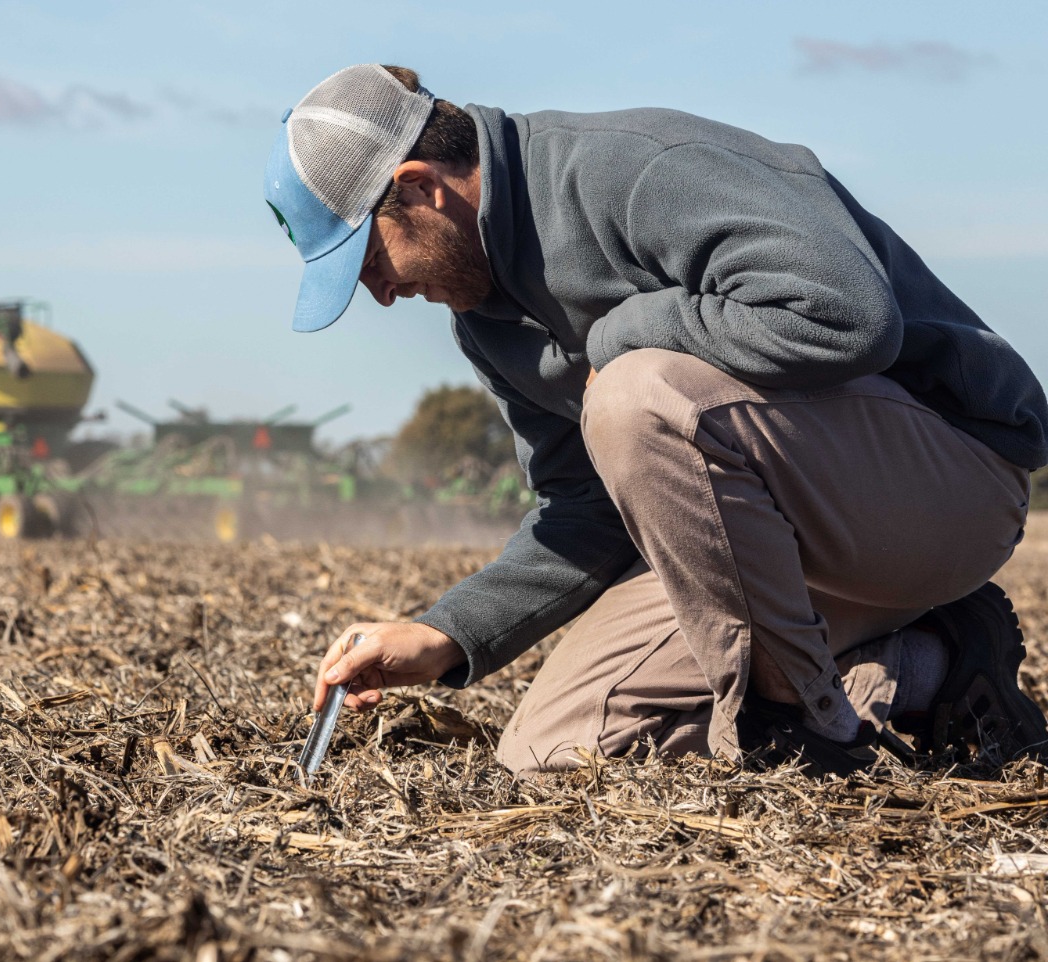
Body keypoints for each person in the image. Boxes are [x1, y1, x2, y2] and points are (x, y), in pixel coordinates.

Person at [263, 64, 1048, 774]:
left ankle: (797, 721)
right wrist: (445, 634)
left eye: (370, 262)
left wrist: (620, 334)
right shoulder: (488, 322)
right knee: (556, 749)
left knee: (639, 394)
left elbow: (847, 313)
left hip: (952, 487)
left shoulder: (636, 170)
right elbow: (585, 509)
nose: (383, 295)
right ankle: (929, 662)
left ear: (422, 188)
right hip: (775, 552)